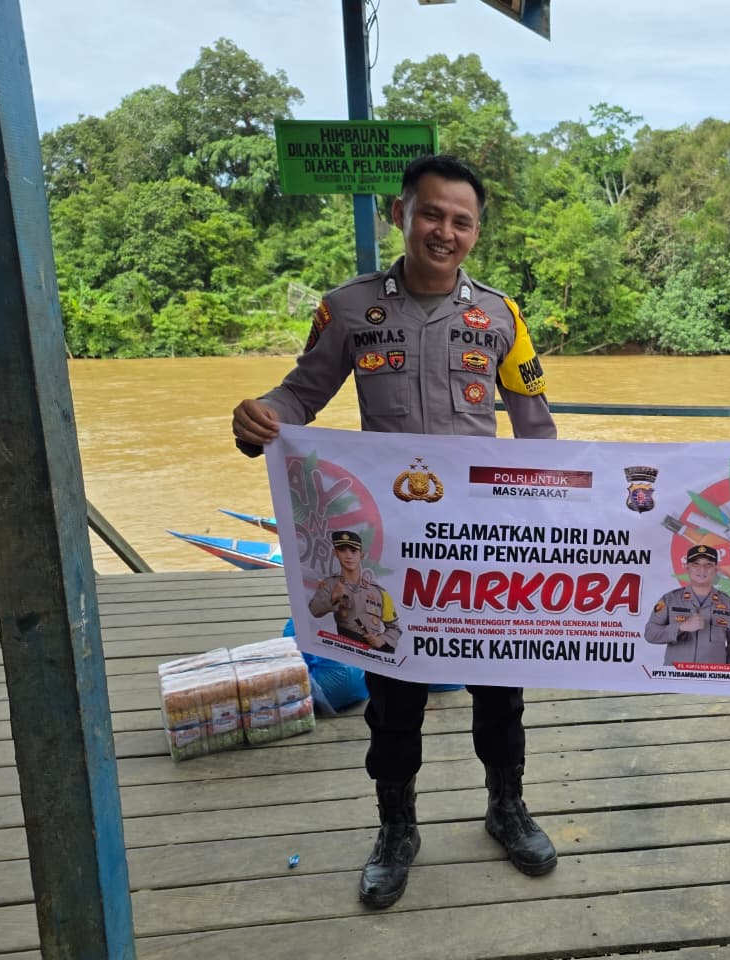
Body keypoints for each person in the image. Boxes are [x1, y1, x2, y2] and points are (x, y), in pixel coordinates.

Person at [232, 154, 558, 909]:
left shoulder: (502, 318)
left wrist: (566, 515)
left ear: (476, 232)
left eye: (462, 221)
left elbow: (537, 431)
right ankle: (396, 827)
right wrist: (262, 418)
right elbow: (302, 394)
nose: (446, 231)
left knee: (499, 689)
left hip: (482, 548)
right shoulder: (349, 310)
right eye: (431, 214)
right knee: (393, 696)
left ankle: (507, 807)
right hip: (389, 548)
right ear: (400, 215)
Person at [644, 543, 730, 665]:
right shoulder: (669, 600)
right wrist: (681, 627)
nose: (702, 569)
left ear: (716, 569)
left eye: (708, 564)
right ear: (687, 568)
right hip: (676, 674)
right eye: (695, 564)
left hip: (712, 675)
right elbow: (650, 633)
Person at [308, 530, 399, 650]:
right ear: (335, 553)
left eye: (353, 551)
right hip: (346, 651)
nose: (348, 556)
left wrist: (382, 640)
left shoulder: (379, 592)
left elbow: (394, 628)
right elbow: (314, 611)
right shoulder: (330, 584)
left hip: (374, 653)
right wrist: (334, 599)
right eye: (342, 550)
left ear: (362, 555)